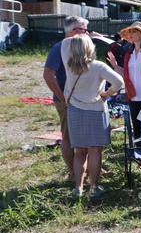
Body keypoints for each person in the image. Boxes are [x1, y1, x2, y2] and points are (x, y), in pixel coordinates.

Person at [62, 35, 123, 197]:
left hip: (75, 110)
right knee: (95, 151)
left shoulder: (69, 66)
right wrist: (106, 94)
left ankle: (78, 188)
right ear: (90, 48)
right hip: (95, 110)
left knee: (79, 152)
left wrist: (76, 35)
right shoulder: (98, 66)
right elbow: (119, 82)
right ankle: (94, 187)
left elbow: (64, 44)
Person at [44, 16, 89, 179]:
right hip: (67, 101)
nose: (87, 33)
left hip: (82, 100)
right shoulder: (59, 48)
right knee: (69, 137)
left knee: (85, 136)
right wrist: (63, 98)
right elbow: (48, 75)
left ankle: (88, 169)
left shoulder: (81, 47)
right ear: (75, 31)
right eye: (85, 30)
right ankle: (73, 172)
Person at [108, 22, 141, 147]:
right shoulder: (129, 54)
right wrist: (115, 65)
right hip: (133, 96)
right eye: (130, 32)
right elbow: (125, 74)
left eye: (134, 31)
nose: (131, 34)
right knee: (137, 129)